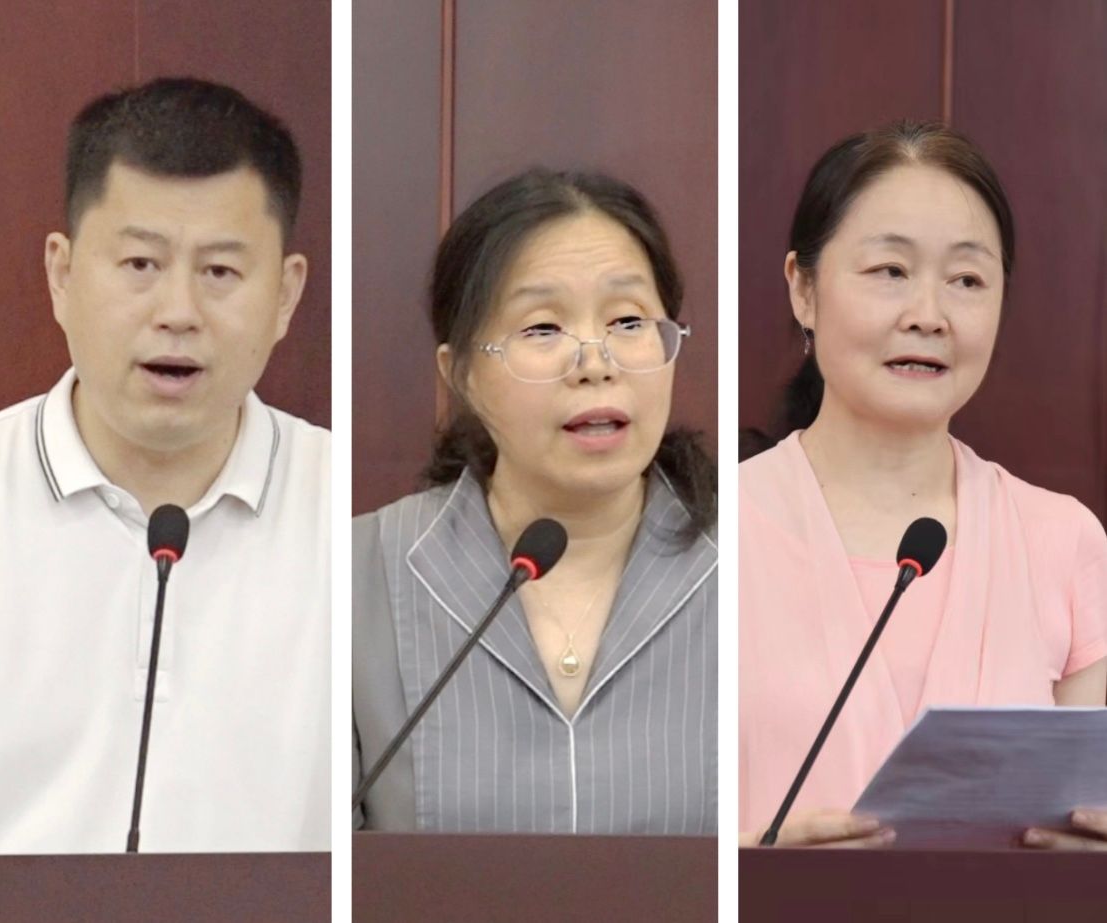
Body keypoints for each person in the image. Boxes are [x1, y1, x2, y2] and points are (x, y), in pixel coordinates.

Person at [0, 78, 330, 853]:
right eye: (138, 263)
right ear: (62, 275)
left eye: (220, 272)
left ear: (286, 294)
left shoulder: (344, 519)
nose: (178, 312)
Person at [739, 121, 1107, 849]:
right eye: (890, 271)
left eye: (967, 280)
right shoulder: (715, 534)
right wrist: (751, 860)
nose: (928, 316)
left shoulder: (1063, 542)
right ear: (803, 289)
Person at [352, 169, 718, 833]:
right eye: (544, 328)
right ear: (461, 374)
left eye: (628, 321)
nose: (595, 363)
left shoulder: (753, 566)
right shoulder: (359, 576)